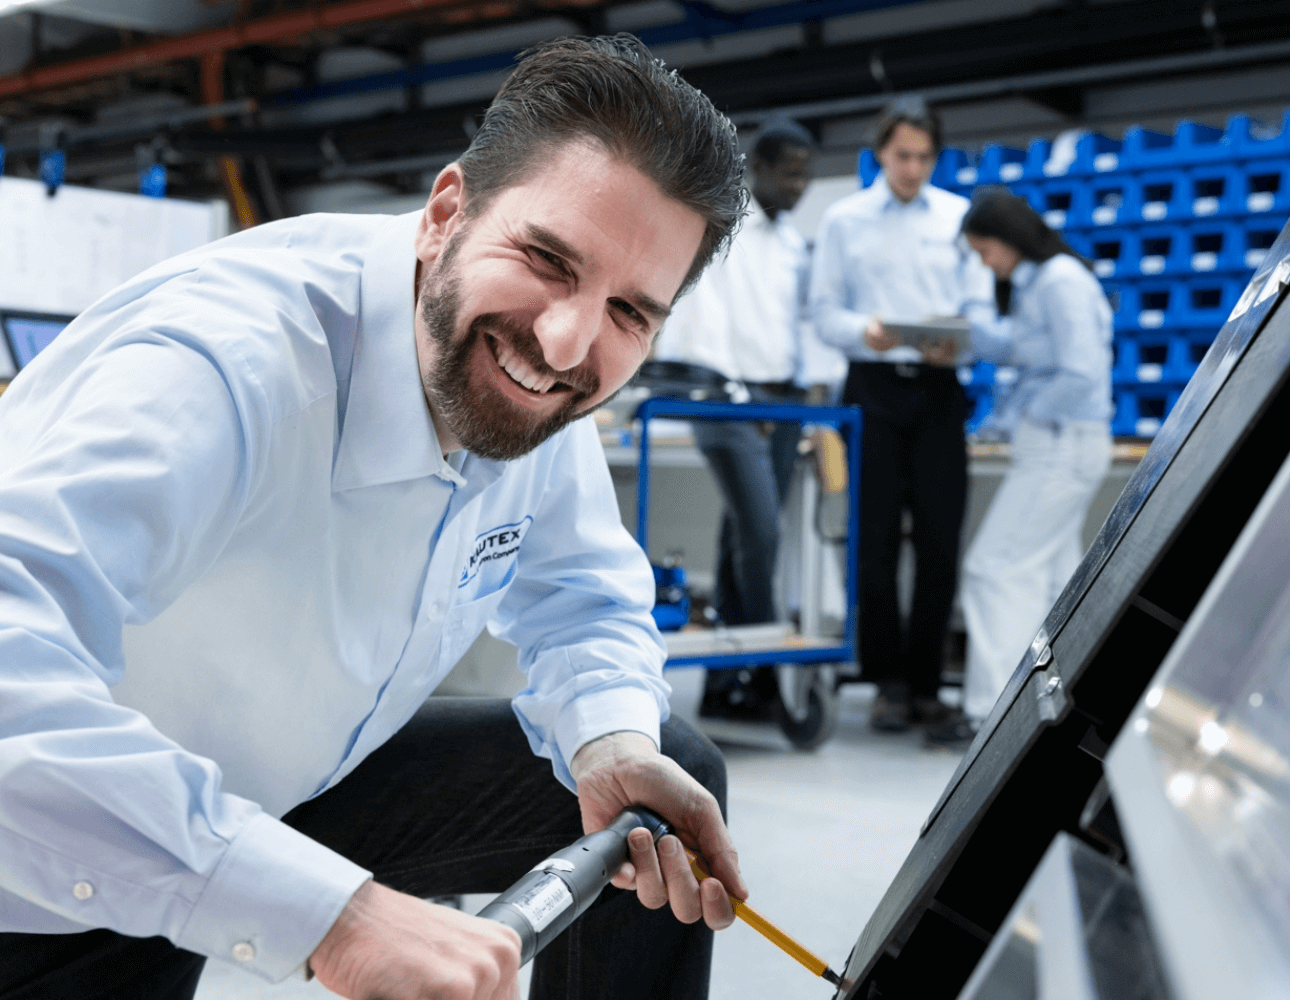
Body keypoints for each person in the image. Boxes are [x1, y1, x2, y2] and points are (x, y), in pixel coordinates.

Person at [0, 36, 750, 1000]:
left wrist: (609, 738)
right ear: (445, 214)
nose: (568, 340)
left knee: (656, 779)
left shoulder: (528, 379)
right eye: (546, 259)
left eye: (628, 313)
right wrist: (331, 912)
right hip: (50, 848)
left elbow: (583, 596)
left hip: (285, 783)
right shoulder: (223, 367)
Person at [809, 97, 993, 732]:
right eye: (901, 156)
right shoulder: (844, 220)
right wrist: (867, 331)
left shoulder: (959, 217)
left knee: (942, 541)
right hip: (872, 387)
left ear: (935, 157)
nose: (912, 168)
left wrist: (958, 339)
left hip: (941, 387)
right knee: (875, 541)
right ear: (879, 153)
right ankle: (886, 682)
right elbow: (824, 313)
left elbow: (978, 305)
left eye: (923, 157)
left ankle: (924, 687)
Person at [928, 189, 1113, 747]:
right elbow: (1021, 350)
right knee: (1054, 581)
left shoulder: (1058, 281)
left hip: (1059, 445)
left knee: (995, 569)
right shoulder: (1043, 281)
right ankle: (1053, 705)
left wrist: (1028, 415)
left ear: (1006, 238)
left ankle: (991, 712)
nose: (985, 262)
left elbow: (1079, 370)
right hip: (1059, 445)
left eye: (985, 250)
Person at [655, 118, 816, 720]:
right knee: (762, 532)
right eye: (791, 173)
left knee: (743, 538)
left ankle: (728, 688)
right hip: (723, 396)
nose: (799, 186)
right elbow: (706, 314)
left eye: (806, 175)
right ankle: (766, 671)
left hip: (783, 401)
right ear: (762, 168)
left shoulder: (792, 242)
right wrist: (732, 389)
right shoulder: (725, 225)